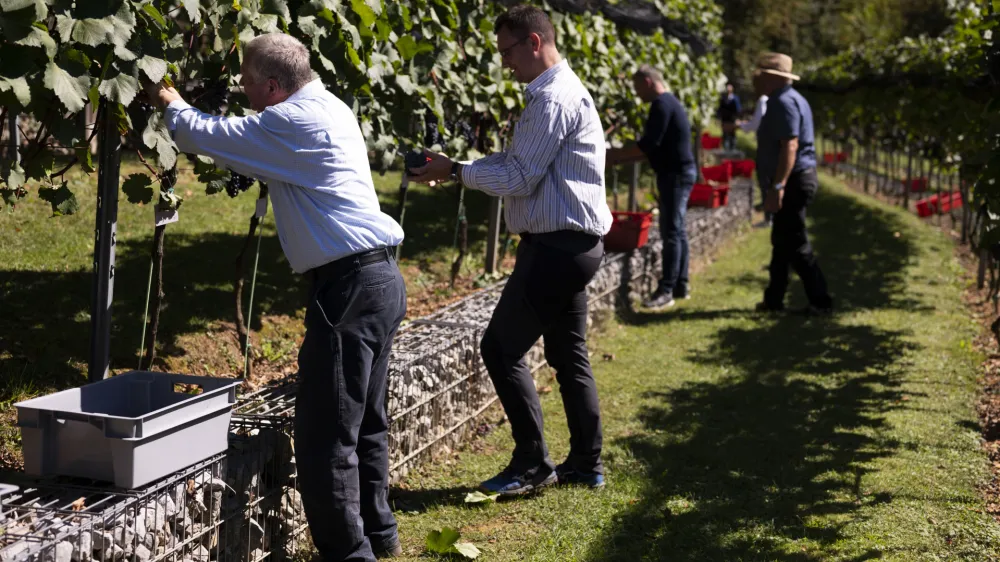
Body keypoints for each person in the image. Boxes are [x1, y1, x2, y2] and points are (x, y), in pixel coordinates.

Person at [146, 33, 407, 562]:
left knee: (325, 436)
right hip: (378, 280)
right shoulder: (328, 104)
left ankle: (349, 555)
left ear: (270, 85)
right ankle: (380, 536)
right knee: (366, 423)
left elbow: (208, 136)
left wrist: (169, 99)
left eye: (246, 86)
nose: (242, 95)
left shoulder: (290, 121)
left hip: (350, 289)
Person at [411, 5, 612, 495]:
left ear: (534, 43)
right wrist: (461, 166)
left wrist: (456, 171)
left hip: (557, 249)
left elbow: (520, 176)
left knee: (500, 348)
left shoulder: (551, 100)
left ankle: (532, 464)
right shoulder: (561, 92)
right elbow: (523, 163)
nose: (505, 63)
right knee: (569, 356)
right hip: (574, 245)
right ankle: (585, 464)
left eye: (507, 52)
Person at [607, 65, 697, 310]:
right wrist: (621, 157)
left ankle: (666, 290)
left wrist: (613, 155)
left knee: (671, 231)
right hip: (681, 173)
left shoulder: (661, 105)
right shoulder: (670, 103)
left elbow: (646, 146)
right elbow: (651, 149)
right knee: (677, 231)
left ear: (647, 81)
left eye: (637, 87)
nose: (637, 94)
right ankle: (680, 285)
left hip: (675, 176)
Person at [752, 52, 833, 315]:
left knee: (796, 243)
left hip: (793, 180)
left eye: (761, 74)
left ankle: (821, 301)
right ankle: (773, 300)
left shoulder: (782, 103)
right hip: (797, 178)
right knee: (783, 241)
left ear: (772, 77)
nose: (757, 78)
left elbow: (790, 145)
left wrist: (778, 186)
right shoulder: (792, 99)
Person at [738, 79, 771, 227]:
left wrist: (741, 126)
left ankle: (768, 217)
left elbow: (756, 123)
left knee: (765, 181)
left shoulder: (763, 100)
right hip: (770, 146)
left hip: (766, 147)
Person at [717, 82, 741, 151]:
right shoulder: (723, 99)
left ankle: (732, 149)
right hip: (724, 120)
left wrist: (737, 118)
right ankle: (726, 150)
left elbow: (738, 110)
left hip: (732, 120)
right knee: (725, 135)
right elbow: (720, 109)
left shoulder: (735, 99)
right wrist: (718, 118)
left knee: (732, 135)